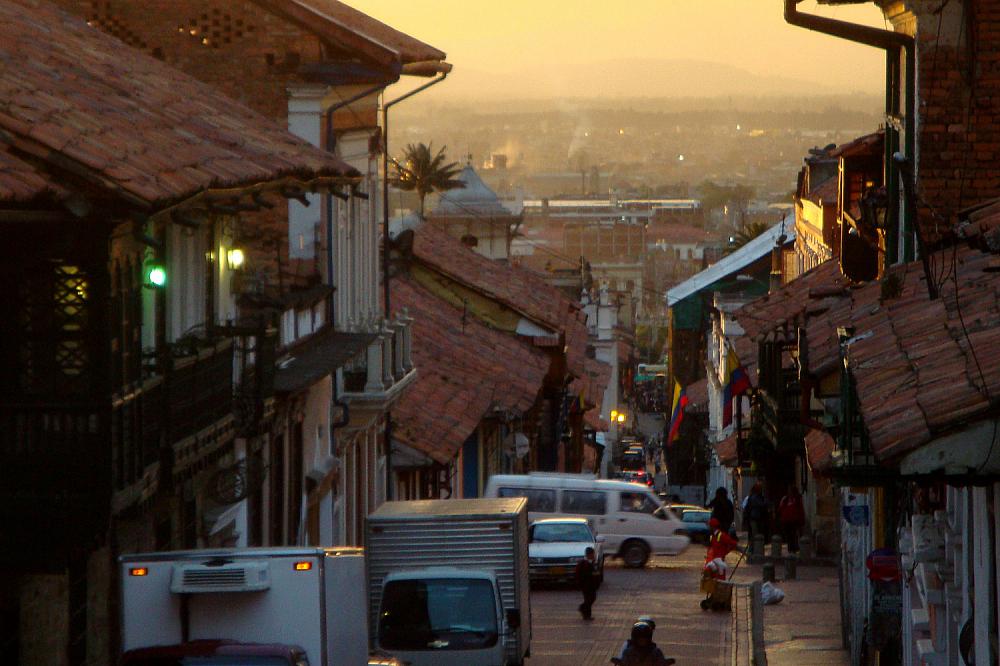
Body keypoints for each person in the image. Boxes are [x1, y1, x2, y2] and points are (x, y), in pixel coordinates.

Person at [778, 486, 806, 553]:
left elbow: (800, 509)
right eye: (789, 491)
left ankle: (794, 548)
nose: (789, 492)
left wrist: (802, 519)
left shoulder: (797, 499)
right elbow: (780, 509)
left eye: (790, 491)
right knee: (789, 535)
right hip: (786, 520)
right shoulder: (785, 499)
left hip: (794, 520)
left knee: (794, 534)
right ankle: (791, 548)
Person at [575, 546, 599, 620]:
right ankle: (585, 612)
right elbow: (585, 575)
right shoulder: (584, 564)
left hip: (590, 585)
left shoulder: (590, 563)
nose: (594, 556)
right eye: (593, 554)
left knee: (590, 599)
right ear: (589, 555)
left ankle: (585, 613)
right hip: (586, 585)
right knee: (589, 599)